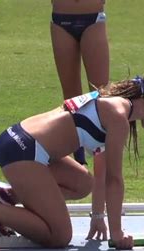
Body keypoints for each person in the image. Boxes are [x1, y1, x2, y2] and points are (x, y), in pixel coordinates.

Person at [0, 64, 144, 250]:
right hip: (23, 151)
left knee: (83, 183)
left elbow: (100, 175)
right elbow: (114, 180)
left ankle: (6, 199)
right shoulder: (119, 116)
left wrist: (98, 216)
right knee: (59, 236)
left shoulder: (117, 106)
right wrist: (118, 234)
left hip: (19, 142)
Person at [51, 0, 110, 166]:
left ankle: (102, 163)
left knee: (101, 96)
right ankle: (80, 162)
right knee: (71, 98)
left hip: (93, 19)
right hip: (61, 21)